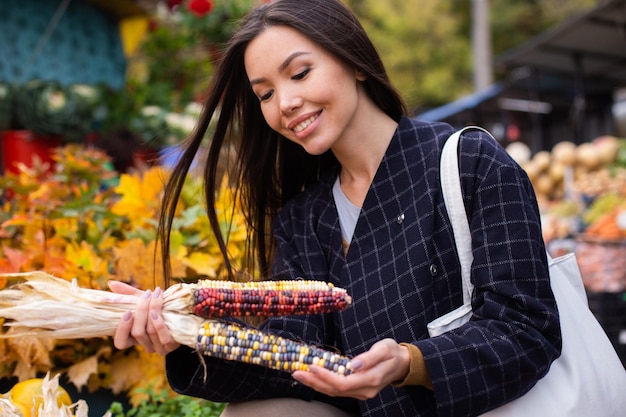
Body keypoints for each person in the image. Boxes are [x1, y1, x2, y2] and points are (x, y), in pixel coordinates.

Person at [110, 0, 561, 415]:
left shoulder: (469, 162)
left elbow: (526, 329)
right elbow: (293, 360)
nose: (285, 104)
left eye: (300, 73)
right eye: (265, 94)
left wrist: (411, 362)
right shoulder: (305, 218)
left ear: (354, 62)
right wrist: (185, 336)